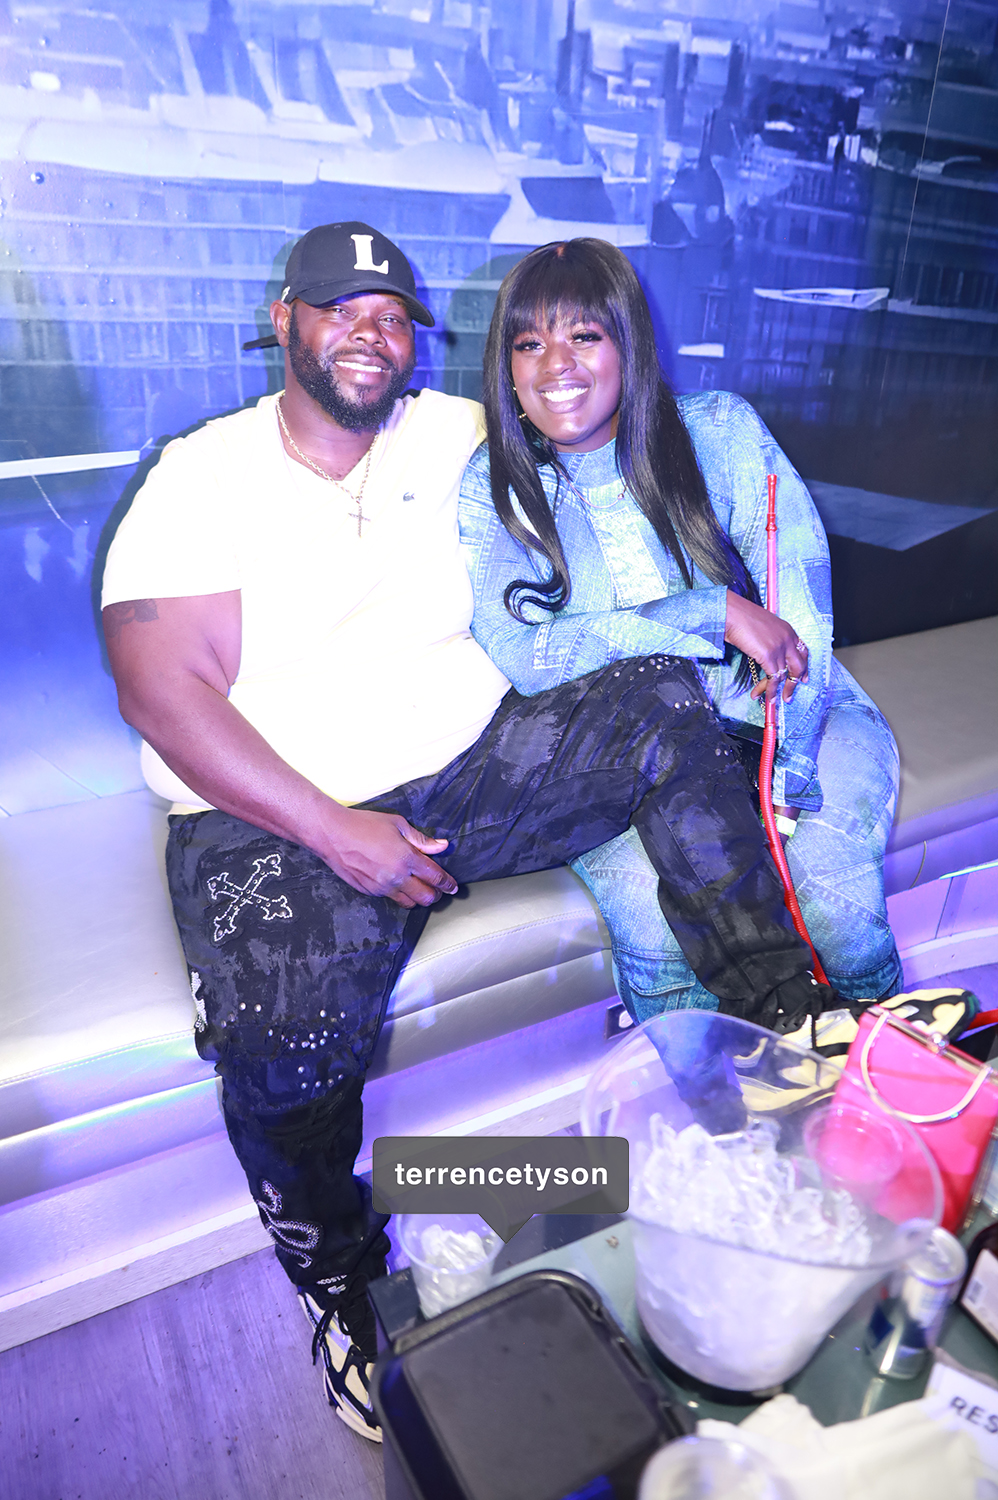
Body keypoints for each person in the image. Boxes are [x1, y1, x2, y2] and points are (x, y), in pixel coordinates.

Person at [100, 220, 858, 1442]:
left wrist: (713, 594)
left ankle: (787, 1037)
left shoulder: (458, 429)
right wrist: (336, 830)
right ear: (283, 322)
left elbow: (601, 430)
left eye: (391, 316)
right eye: (339, 308)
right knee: (281, 1044)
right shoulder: (203, 476)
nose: (368, 333)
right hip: (276, 811)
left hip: (469, 764)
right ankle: (343, 1288)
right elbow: (162, 694)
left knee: (660, 703)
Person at [459, 237, 975, 1047]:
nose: (556, 363)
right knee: (657, 934)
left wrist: (789, 771)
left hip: (787, 714)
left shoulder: (720, 432)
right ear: (507, 367)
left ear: (629, 344)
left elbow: (800, 611)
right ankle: (719, 1110)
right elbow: (527, 656)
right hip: (625, 763)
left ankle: (889, 1085)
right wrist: (709, 612)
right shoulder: (495, 484)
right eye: (530, 343)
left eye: (584, 335)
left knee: (829, 901)